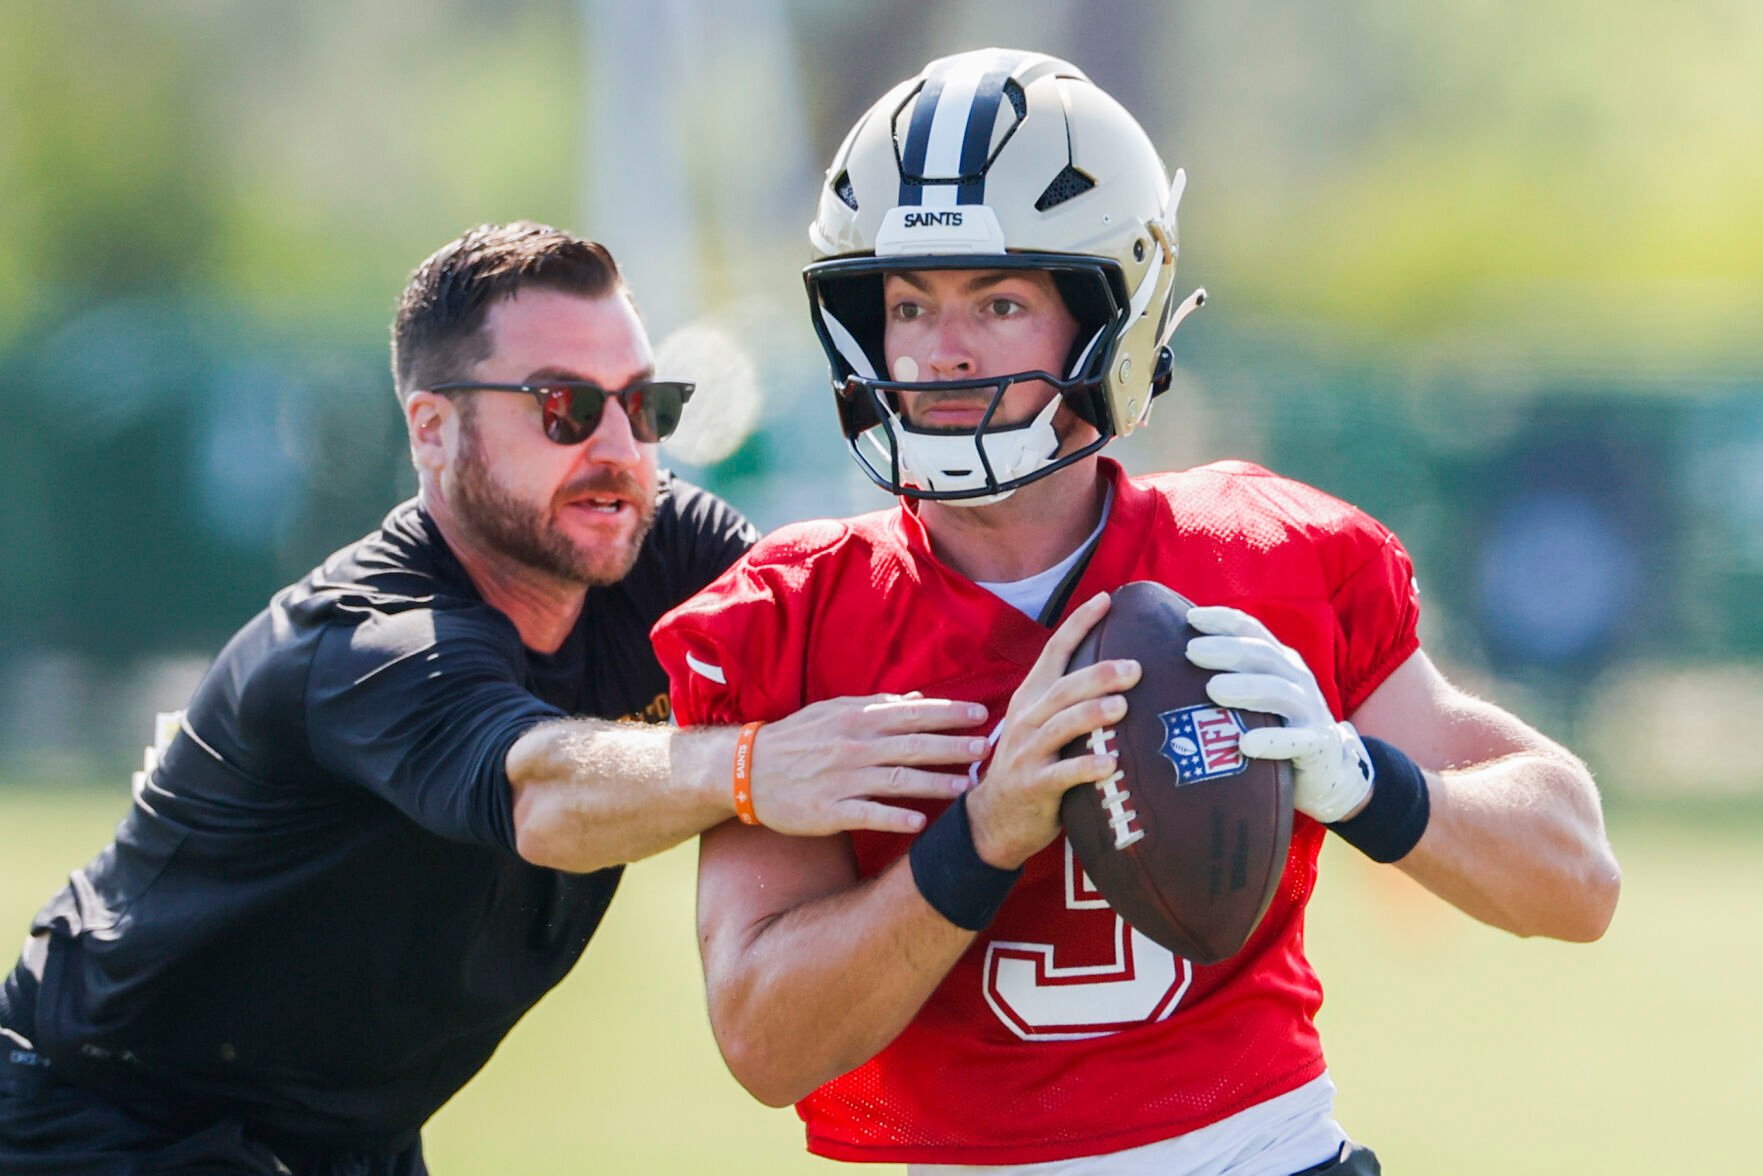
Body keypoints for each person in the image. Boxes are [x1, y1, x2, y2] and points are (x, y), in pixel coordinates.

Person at [652, 49, 1622, 1175]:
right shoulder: (797, 613)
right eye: (907, 302)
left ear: (1114, 316)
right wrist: (978, 839)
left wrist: (1360, 777)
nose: (936, 349)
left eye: (999, 300)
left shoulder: (1261, 555)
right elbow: (764, 1042)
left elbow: (1575, 876)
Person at [0, 222, 987, 1173]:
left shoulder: (660, 547)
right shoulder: (365, 642)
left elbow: (865, 622)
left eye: (644, 407)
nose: (616, 448)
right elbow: (544, 795)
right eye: (563, 407)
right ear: (433, 429)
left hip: (344, 1139)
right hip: (101, 1119)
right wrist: (752, 769)